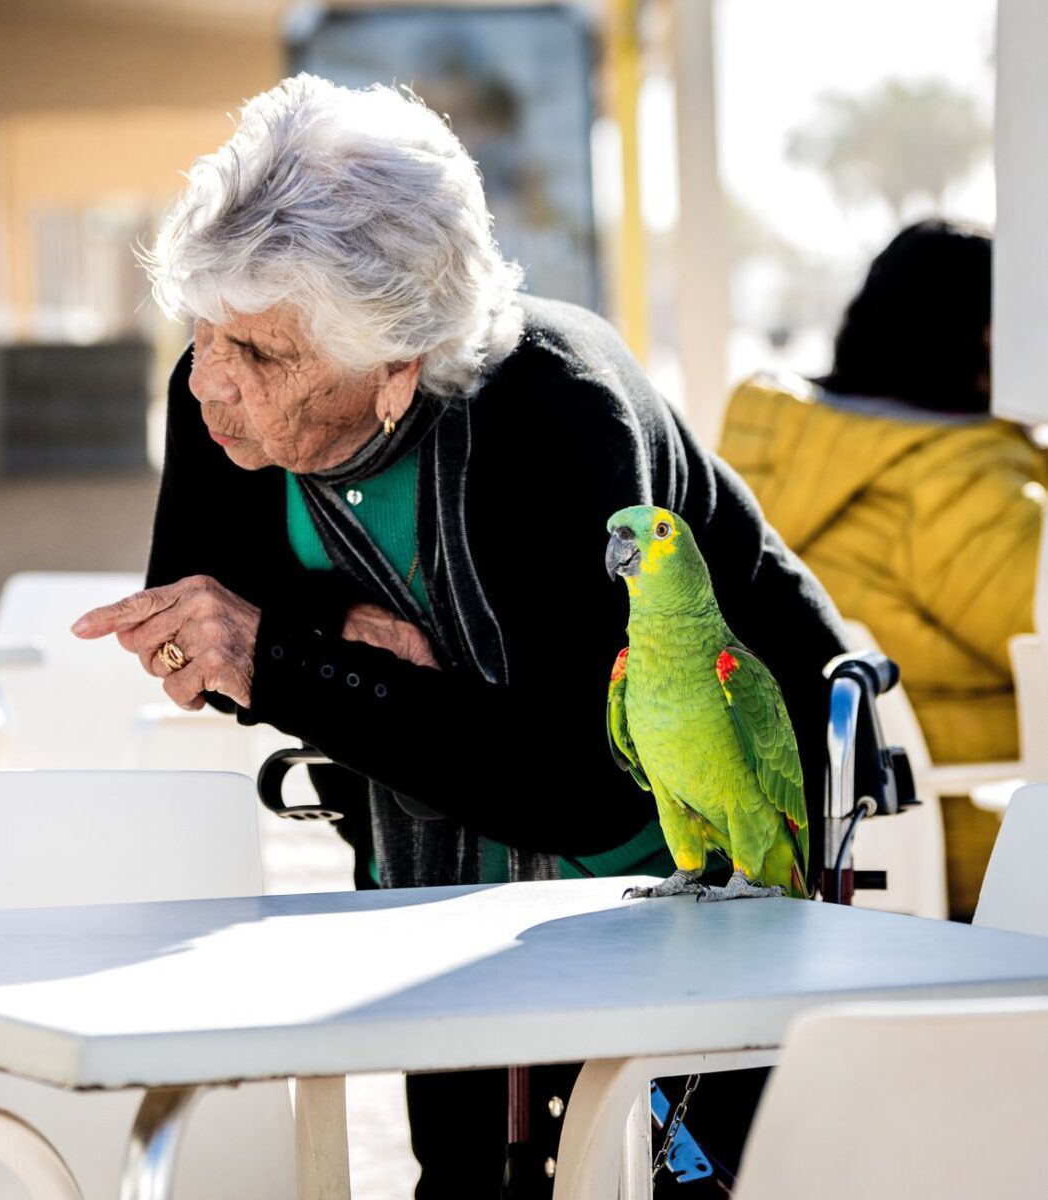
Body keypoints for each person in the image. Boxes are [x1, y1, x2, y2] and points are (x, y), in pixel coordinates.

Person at [73, 75, 847, 1196]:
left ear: (400, 365)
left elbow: (583, 780)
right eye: (201, 332)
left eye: (263, 355)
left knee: (667, 1172)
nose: (209, 384)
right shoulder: (218, 398)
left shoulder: (560, 416)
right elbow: (197, 623)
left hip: (694, 835)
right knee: (469, 1171)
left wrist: (287, 655)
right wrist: (333, 630)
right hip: (435, 845)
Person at [721, 218, 1044, 921]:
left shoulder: (777, 446)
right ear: (989, 337)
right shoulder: (959, 480)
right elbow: (1036, 616)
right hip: (974, 838)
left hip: (833, 829)